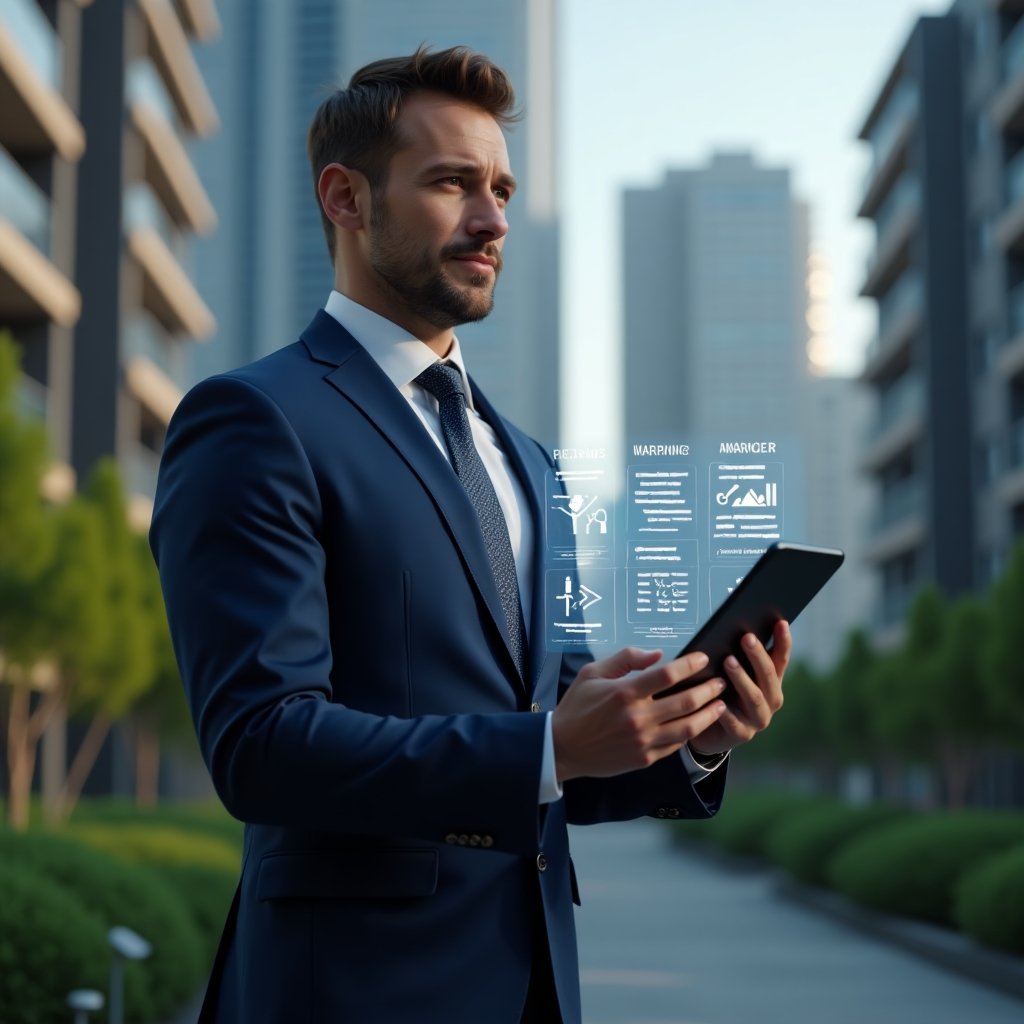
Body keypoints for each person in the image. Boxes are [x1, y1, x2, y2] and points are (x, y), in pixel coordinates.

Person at [150, 45, 791, 1024]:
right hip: (349, 993)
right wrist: (546, 745)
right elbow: (259, 744)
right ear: (346, 198)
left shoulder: (527, 462)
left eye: (501, 187)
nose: (493, 218)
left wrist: (679, 738)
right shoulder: (253, 420)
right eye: (452, 183)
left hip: (534, 984)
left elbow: (551, 737)